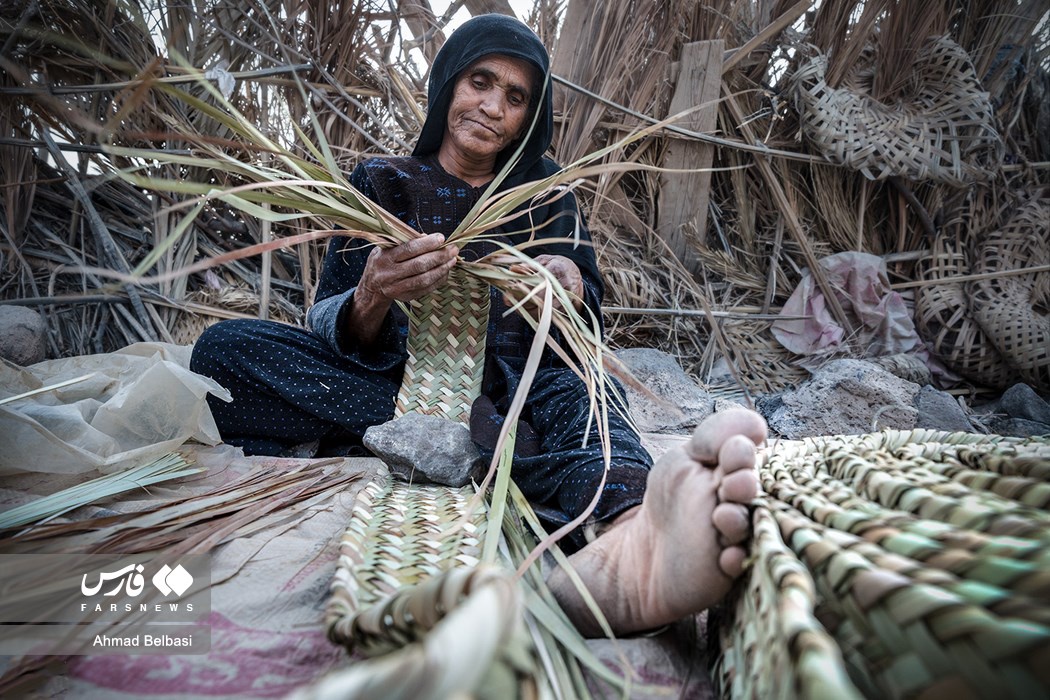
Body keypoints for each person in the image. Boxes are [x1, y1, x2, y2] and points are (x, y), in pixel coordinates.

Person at [190, 13, 765, 636]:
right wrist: (373, 293)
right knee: (223, 351)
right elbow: (330, 319)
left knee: (592, 397)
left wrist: (566, 289)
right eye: (480, 82)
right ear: (448, 88)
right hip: (391, 385)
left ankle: (631, 541)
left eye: (515, 98)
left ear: (529, 116)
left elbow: (586, 309)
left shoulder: (546, 193)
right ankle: (491, 459)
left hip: (515, 389)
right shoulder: (383, 181)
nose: (493, 107)